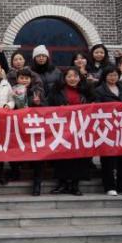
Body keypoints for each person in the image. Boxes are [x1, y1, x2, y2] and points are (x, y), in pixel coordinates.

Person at [47, 67, 94, 196]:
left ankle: (75, 185)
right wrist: (59, 109)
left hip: (81, 129)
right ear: (64, 78)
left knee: (78, 158)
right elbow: (48, 106)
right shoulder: (57, 90)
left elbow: (95, 104)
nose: (72, 79)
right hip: (63, 129)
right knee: (62, 156)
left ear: (79, 77)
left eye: (75, 76)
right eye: (69, 76)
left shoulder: (86, 90)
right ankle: (62, 183)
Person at [93, 65, 122, 197]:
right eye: (110, 75)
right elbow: (97, 107)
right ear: (105, 76)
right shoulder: (99, 90)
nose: (113, 77)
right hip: (107, 128)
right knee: (108, 159)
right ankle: (109, 186)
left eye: (115, 75)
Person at [10, 68, 44, 195]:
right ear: (17, 79)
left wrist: (38, 103)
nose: (24, 80)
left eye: (26, 78)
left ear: (31, 79)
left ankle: (37, 183)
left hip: (34, 126)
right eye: (21, 78)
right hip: (17, 126)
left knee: (38, 155)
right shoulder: (12, 90)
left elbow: (46, 107)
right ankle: (15, 172)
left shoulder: (37, 91)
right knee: (14, 149)